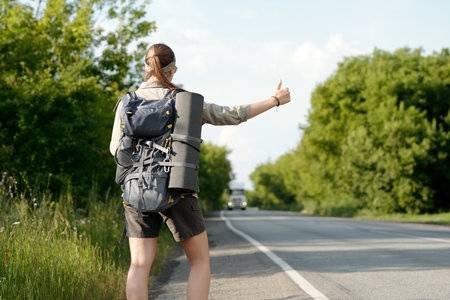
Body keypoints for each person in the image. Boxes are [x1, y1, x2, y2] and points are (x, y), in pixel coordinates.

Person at [109, 43, 291, 300]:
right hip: (178, 189)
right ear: (173, 70)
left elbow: (116, 150)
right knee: (199, 262)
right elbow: (230, 115)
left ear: (145, 69)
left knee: (139, 265)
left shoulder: (127, 103)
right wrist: (274, 100)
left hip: (137, 192)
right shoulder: (186, 103)